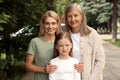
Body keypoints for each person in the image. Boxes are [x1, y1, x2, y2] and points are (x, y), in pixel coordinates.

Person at [64, 3, 105, 80]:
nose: (73, 19)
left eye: (76, 15)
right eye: (69, 16)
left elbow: (100, 61)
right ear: (66, 19)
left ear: (82, 17)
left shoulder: (92, 34)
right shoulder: (64, 36)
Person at [25, 10, 62, 80]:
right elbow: (27, 66)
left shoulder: (61, 42)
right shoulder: (35, 42)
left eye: (53, 23)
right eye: (47, 23)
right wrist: (44, 69)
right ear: (43, 25)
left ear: (57, 25)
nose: (50, 26)